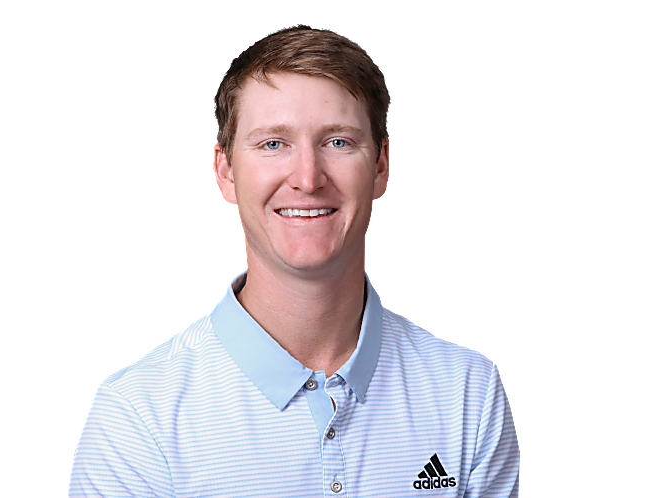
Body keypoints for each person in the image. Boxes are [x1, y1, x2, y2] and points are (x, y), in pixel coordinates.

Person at [68, 24, 520, 497]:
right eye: (273, 144)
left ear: (382, 165)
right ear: (225, 171)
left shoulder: (469, 393)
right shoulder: (136, 415)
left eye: (338, 142)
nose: (308, 178)